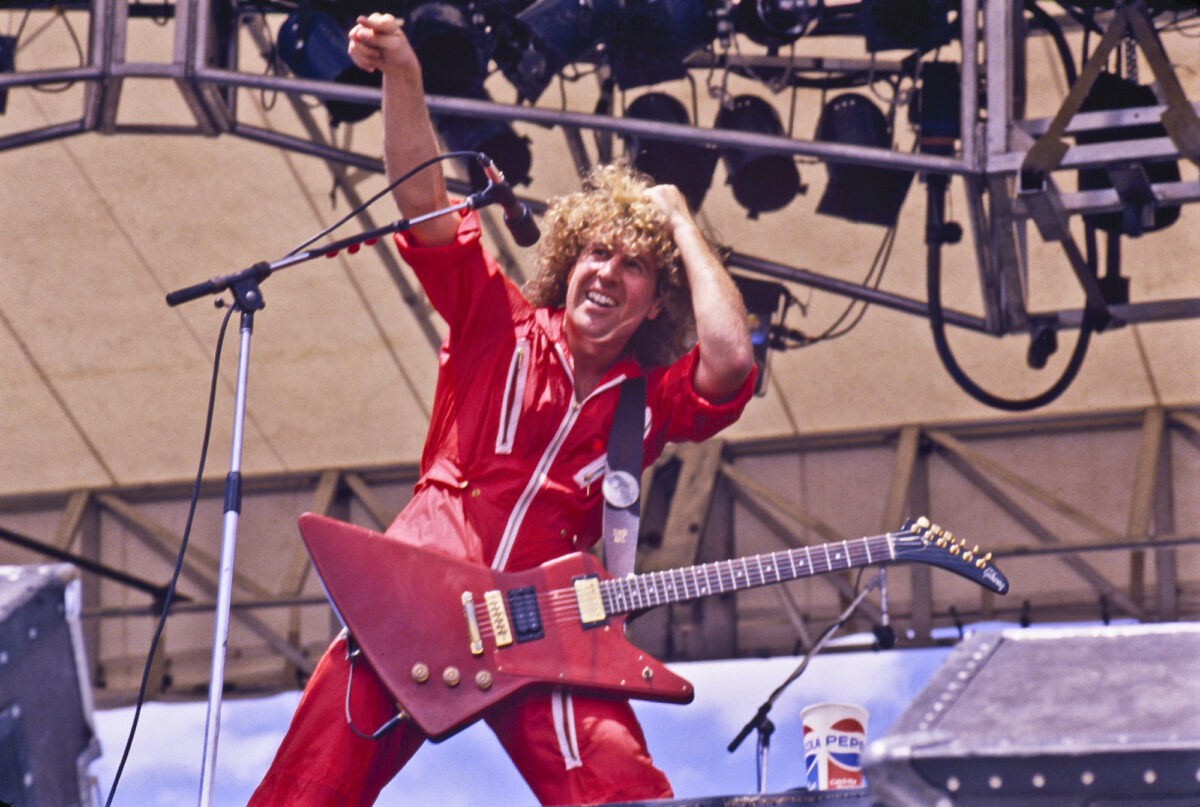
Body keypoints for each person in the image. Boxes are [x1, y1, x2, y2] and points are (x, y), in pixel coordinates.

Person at [248, 12, 756, 806]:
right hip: (412, 605)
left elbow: (730, 360)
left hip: (542, 632)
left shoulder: (644, 406)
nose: (606, 275)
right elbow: (422, 199)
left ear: (656, 302)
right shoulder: (501, 321)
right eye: (596, 253)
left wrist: (684, 226)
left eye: (631, 268)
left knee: (624, 789)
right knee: (305, 793)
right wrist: (405, 78)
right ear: (569, 262)